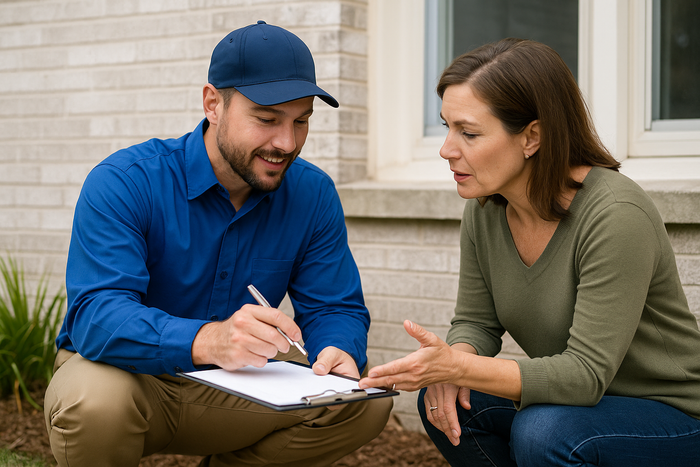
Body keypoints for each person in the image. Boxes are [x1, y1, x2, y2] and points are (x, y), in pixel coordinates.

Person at [44, 21, 392, 467]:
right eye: (266, 120)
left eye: (301, 121)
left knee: (363, 403)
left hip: (240, 385)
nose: (286, 143)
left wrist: (337, 350)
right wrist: (209, 340)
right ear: (213, 104)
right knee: (94, 402)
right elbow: (98, 317)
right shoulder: (124, 182)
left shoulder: (313, 193)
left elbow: (334, 307)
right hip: (126, 378)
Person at [358, 38, 700, 467]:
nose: (446, 148)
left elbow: (584, 376)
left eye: (468, 132)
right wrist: (449, 366)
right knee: (445, 400)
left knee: (545, 430)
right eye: (446, 126)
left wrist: (456, 367)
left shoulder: (616, 215)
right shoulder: (484, 210)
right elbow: (476, 324)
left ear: (532, 137)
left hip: (674, 416)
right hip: (577, 407)